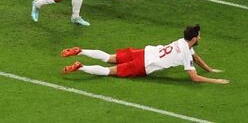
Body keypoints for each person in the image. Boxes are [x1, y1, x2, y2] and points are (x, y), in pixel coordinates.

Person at [61, 25, 230, 84]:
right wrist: (215, 80)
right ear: (193, 38)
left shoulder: (181, 41)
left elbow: (196, 57)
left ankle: (81, 50)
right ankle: (81, 67)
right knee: (109, 71)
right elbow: (194, 77)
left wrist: (209, 69)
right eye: (199, 36)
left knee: (109, 58)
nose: (200, 37)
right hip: (143, 65)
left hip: (142, 52)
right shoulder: (186, 52)